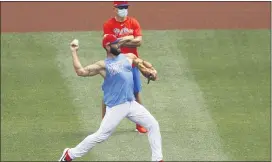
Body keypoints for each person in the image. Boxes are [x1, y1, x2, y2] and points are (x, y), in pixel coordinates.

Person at [58, 34, 163, 162]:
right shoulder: (104, 65)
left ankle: (157, 159)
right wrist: (74, 51)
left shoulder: (128, 57)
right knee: (101, 136)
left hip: (131, 103)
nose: (119, 45)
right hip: (116, 106)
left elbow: (141, 64)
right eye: (115, 43)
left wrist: (150, 71)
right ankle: (69, 154)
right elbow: (81, 71)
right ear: (108, 47)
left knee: (153, 125)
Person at [103, 1, 148, 133]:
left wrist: (120, 41)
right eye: (121, 7)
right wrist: (128, 38)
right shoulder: (108, 25)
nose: (124, 10)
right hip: (115, 63)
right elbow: (109, 44)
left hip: (131, 62)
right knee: (109, 93)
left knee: (136, 91)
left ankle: (140, 123)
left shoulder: (133, 22)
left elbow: (138, 42)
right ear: (115, 9)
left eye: (125, 7)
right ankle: (105, 124)